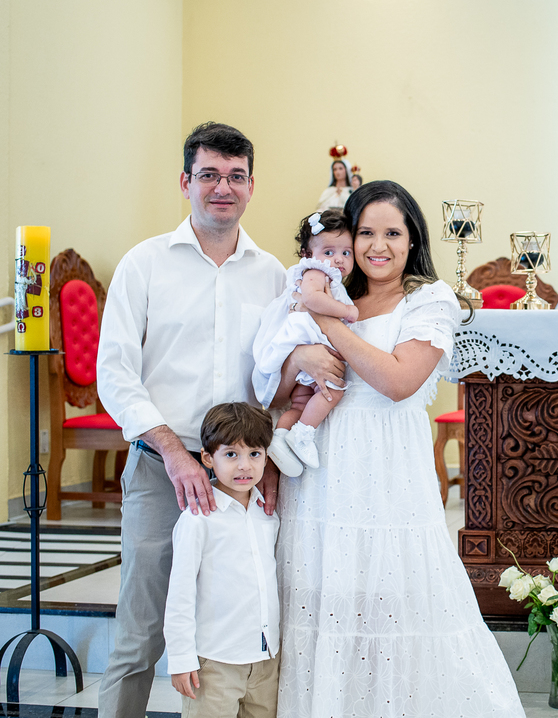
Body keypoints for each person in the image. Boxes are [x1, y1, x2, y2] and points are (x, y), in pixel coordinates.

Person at [272, 181, 523, 717]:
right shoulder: (334, 291)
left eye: (392, 232)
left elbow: (397, 381)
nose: (377, 245)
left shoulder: (430, 299)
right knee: (325, 590)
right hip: (322, 466)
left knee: (394, 594)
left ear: (413, 240)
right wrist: (298, 360)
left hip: (388, 471)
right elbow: (273, 385)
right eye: (365, 232)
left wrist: (323, 326)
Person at [95, 122, 320, 718]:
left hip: (242, 476)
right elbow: (114, 373)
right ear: (185, 181)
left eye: (236, 176)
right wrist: (172, 450)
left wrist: (266, 458)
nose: (223, 187)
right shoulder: (144, 265)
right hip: (161, 469)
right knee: (140, 633)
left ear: (251, 186)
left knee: (245, 622)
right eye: (210, 175)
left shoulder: (274, 275)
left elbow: (277, 378)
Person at [164, 402, 279, 718]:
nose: (244, 466)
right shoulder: (197, 519)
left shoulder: (268, 514)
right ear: (207, 458)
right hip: (215, 662)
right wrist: (181, 658)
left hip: (266, 658)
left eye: (254, 454)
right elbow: (181, 593)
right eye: (231, 454)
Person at [253, 209, 358, 474]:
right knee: (334, 387)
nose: (338, 260)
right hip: (307, 337)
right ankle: (303, 434)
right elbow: (311, 300)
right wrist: (346, 311)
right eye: (329, 252)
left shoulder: (326, 274)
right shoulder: (316, 272)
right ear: (308, 255)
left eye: (346, 253)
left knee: (300, 403)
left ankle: (280, 437)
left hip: (306, 346)